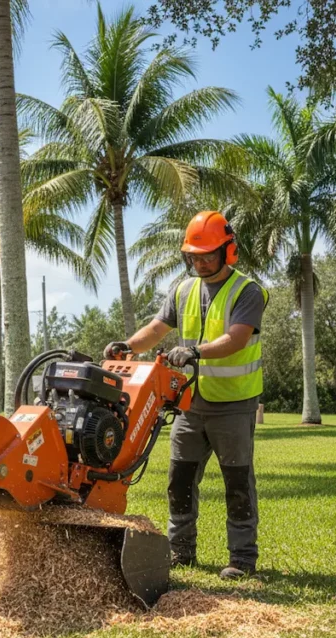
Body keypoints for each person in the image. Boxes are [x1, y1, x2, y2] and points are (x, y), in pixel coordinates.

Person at [104, 211, 268, 580]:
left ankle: (242, 558)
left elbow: (237, 337)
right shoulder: (183, 289)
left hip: (233, 404)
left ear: (229, 251)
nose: (199, 261)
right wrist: (128, 347)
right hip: (190, 404)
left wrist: (197, 352)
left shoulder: (248, 291)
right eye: (193, 255)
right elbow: (157, 328)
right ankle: (181, 550)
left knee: (237, 481)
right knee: (180, 477)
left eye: (207, 254)